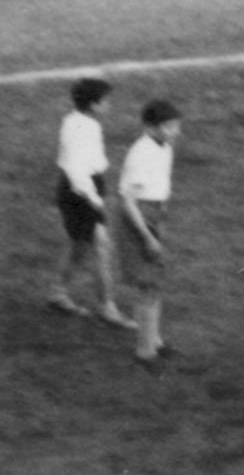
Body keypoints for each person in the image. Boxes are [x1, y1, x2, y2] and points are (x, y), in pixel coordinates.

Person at [47, 76, 132, 328]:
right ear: (94, 105)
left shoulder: (73, 120)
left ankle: (58, 293)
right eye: (106, 101)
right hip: (81, 193)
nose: (109, 105)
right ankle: (108, 308)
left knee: (80, 247)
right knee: (102, 249)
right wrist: (95, 200)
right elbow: (76, 170)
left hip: (77, 190)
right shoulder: (86, 128)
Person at [116, 99, 183, 368]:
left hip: (154, 216)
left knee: (155, 283)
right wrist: (147, 236)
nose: (175, 131)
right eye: (169, 127)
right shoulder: (140, 154)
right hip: (138, 221)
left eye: (176, 126)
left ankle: (154, 342)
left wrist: (161, 220)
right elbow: (128, 202)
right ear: (150, 127)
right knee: (147, 286)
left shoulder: (165, 147)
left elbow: (161, 187)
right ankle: (144, 352)